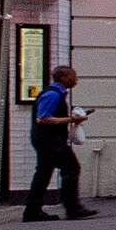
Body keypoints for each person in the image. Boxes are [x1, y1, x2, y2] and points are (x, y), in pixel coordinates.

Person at [22, 65, 97, 222]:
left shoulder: (56, 94)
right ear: (64, 78)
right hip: (50, 140)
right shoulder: (52, 95)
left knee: (43, 173)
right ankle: (73, 208)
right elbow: (43, 118)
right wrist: (72, 119)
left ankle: (32, 210)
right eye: (73, 76)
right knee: (71, 167)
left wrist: (80, 114)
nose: (76, 80)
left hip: (45, 140)